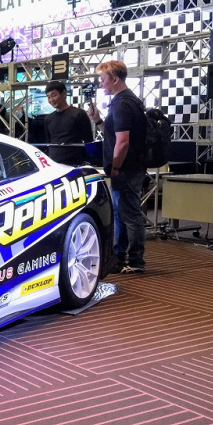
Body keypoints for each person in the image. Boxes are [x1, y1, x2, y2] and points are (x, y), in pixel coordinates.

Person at [87, 60, 147, 274]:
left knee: (129, 214)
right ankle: (120, 257)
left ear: (114, 79)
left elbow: (122, 142)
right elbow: (113, 136)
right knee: (122, 213)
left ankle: (134, 260)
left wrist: (115, 167)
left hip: (125, 169)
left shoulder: (122, 104)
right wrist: (98, 121)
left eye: (102, 79)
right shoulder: (129, 101)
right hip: (130, 167)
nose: (100, 84)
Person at [44, 81, 93, 166]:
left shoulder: (78, 114)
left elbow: (88, 140)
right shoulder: (48, 119)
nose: (51, 100)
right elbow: (49, 141)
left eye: (54, 95)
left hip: (75, 163)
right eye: (48, 97)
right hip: (54, 164)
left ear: (63, 93)